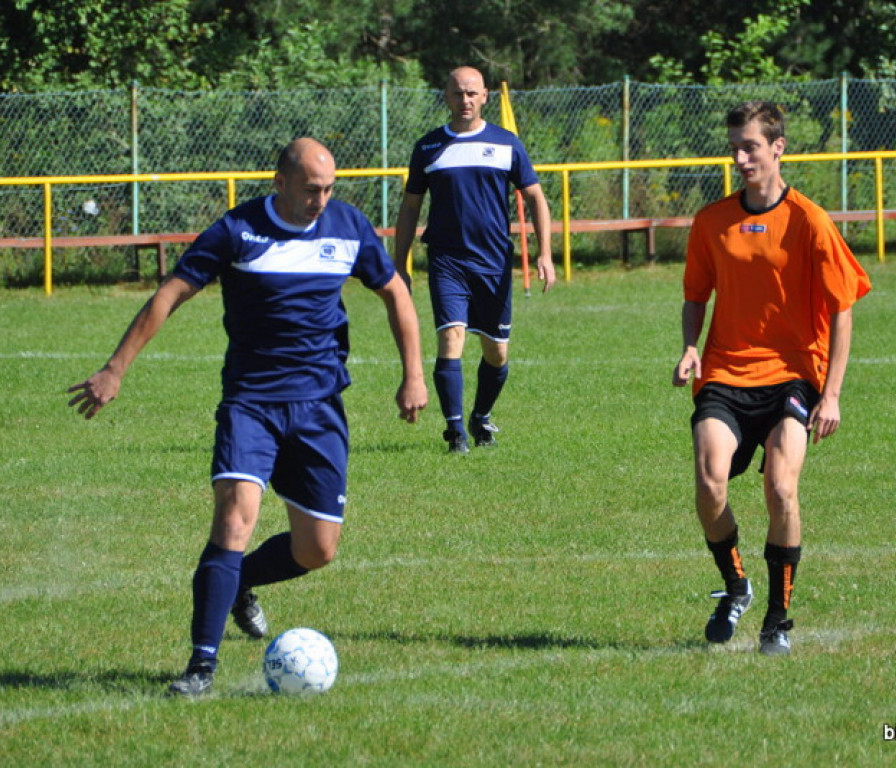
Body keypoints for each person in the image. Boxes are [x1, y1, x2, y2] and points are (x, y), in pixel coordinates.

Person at [67, 138, 427, 696]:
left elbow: (396, 294)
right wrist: (115, 368)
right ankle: (200, 668)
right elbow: (171, 293)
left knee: (317, 550)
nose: (321, 200)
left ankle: (241, 583)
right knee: (234, 521)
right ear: (280, 182)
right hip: (251, 405)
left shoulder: (347, 227)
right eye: (311, 189)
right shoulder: (237, 231)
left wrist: (414, 375)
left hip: (319, 409)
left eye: (329, 189)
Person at [672, 101, 871, 656]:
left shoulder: (809, 220)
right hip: (726, 373)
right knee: (710, 484)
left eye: (750, 146)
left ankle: (777, 621)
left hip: (792, 375)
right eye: (734, 146)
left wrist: (830, 394)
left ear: (778, 147)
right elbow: (695, 295)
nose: (739, 157)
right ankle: (736, 585)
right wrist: (690, 347)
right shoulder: (711, 221)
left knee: (781, 487)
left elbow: (843, 306)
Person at [393, 65, 556, 454]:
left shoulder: (506, 143)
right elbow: (410, 207)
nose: (464, 100)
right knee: (451, 337)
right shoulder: (429, 147)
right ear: (445, 97)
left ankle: (480, 417)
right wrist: (399, 263)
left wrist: (545, 253)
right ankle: (455, 434)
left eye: (471, 93)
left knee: (496, 351)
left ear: (485, 96)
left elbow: (535, 197)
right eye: (457, 93)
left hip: (494, 262)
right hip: (447, 261)